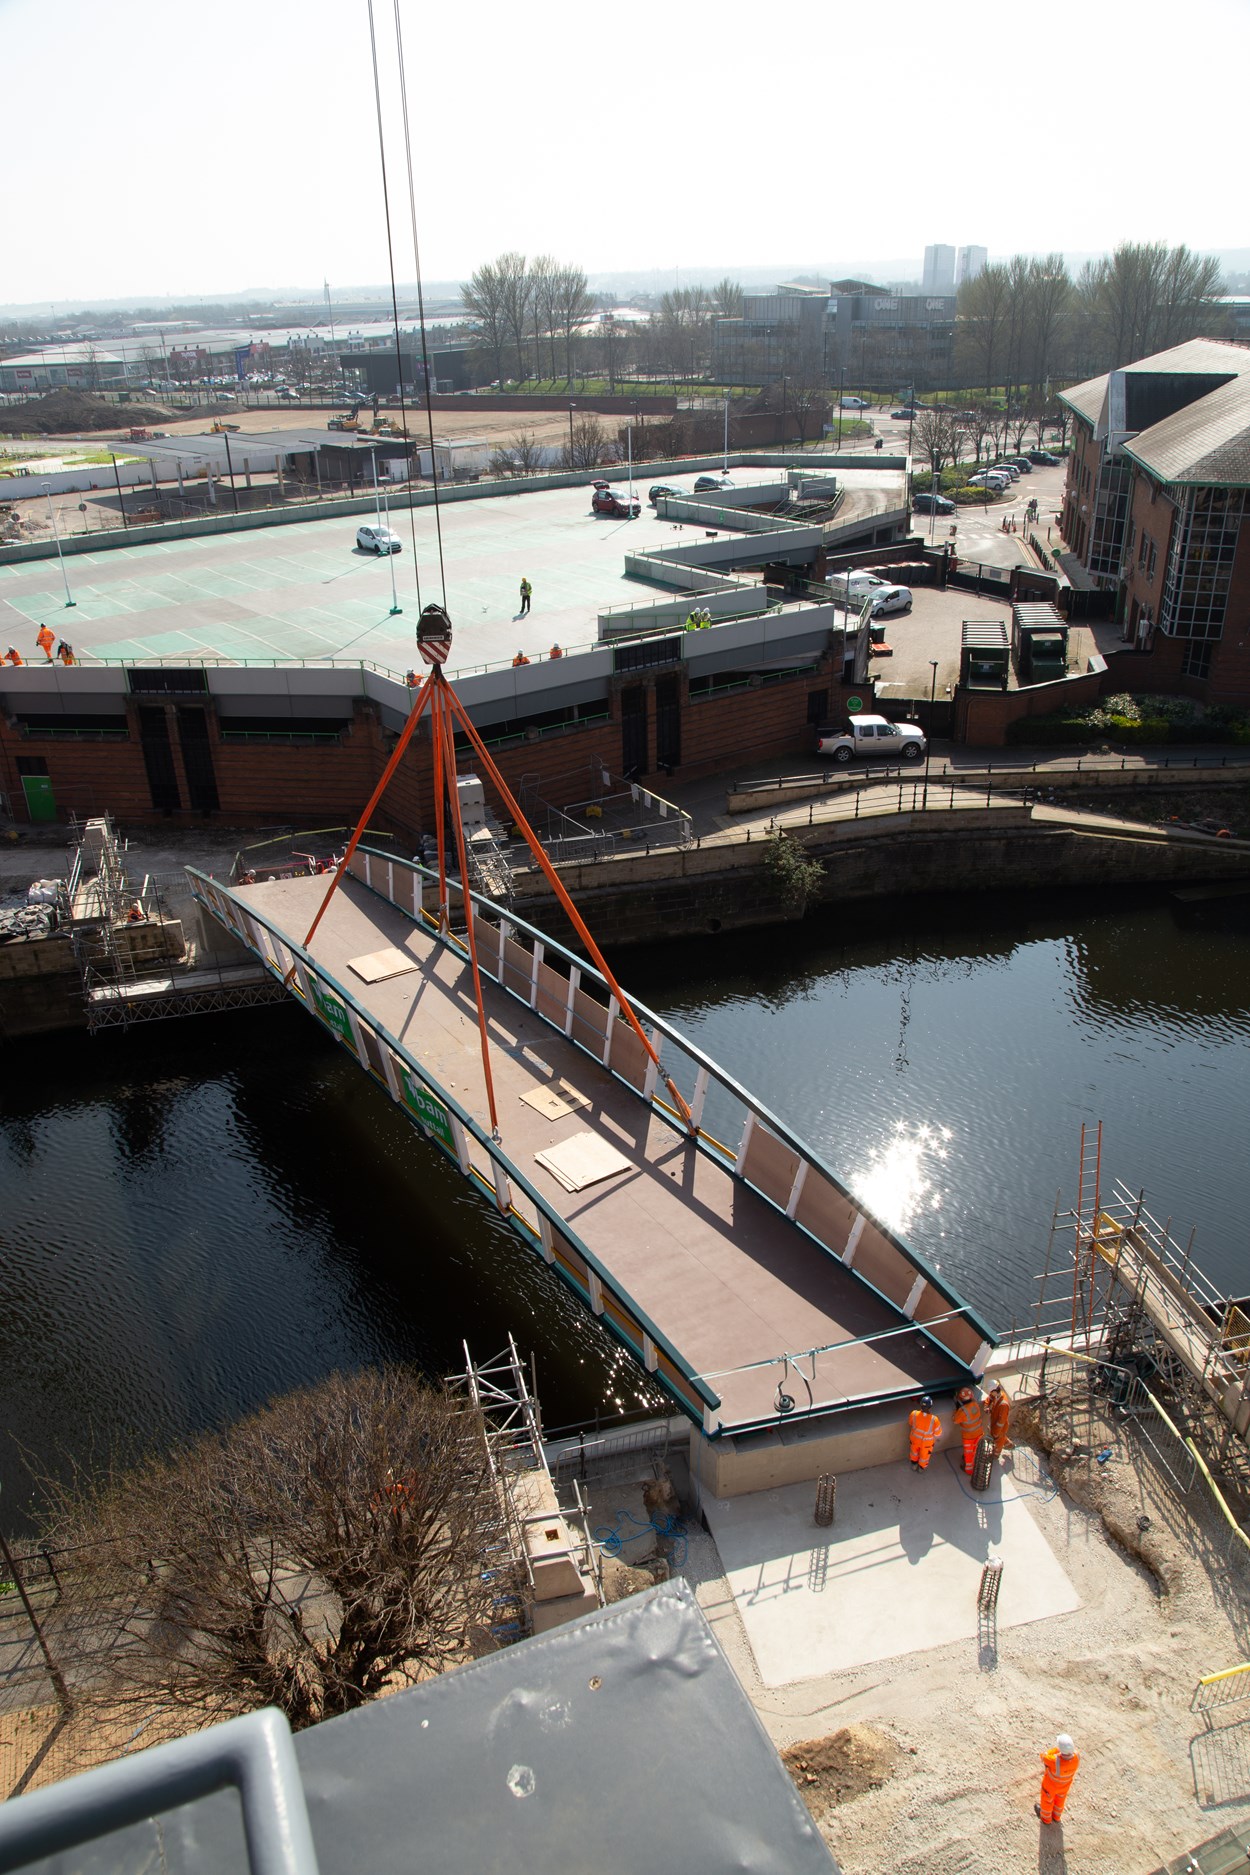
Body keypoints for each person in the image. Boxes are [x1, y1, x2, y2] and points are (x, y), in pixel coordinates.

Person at [1036, 1734, 1079, 1824]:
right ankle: (1056, 1816)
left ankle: (1046, 1819)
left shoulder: (1055, 1761)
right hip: (1064, 1787)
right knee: (1060, 1801)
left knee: (1047, 1801)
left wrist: (1056, 1749)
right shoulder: (1077, 1757)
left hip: (1050, 1786)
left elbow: (1043, 1756)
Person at [952, 1385, 984, 1475]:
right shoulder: (975, 1404)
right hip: (979, 1433)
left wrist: (956, 1410)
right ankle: (972, 1462)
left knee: (969, 1454)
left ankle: (969, 1470)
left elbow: (955, 1420)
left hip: (969, 1436)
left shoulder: (962, 1411)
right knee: (975, 1450)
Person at [908, 1395, 941, 1472]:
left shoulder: (914, 1414)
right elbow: (938, 1433)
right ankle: (921, 1468)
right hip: (926, 1444)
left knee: (914, 1453)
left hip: (915, 1440)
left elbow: (910, 1423)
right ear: (931, 1406)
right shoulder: (934, 1420)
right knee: (924, 1456)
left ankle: (914, 1464)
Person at [987, 1378, 1012, 1458]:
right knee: (1000, 1436)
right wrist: (986, 1406)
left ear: (995, 1391)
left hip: (1000, 1427)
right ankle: (1008, 1443)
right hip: (995, 1421)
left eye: (991, 1392)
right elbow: (989, 1398)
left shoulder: (1003, 1405)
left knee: (998, 1439)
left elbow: (1001, 1421)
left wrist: (996, 1432)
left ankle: (996, 1454)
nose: (990, 1394)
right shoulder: (997, 1395)